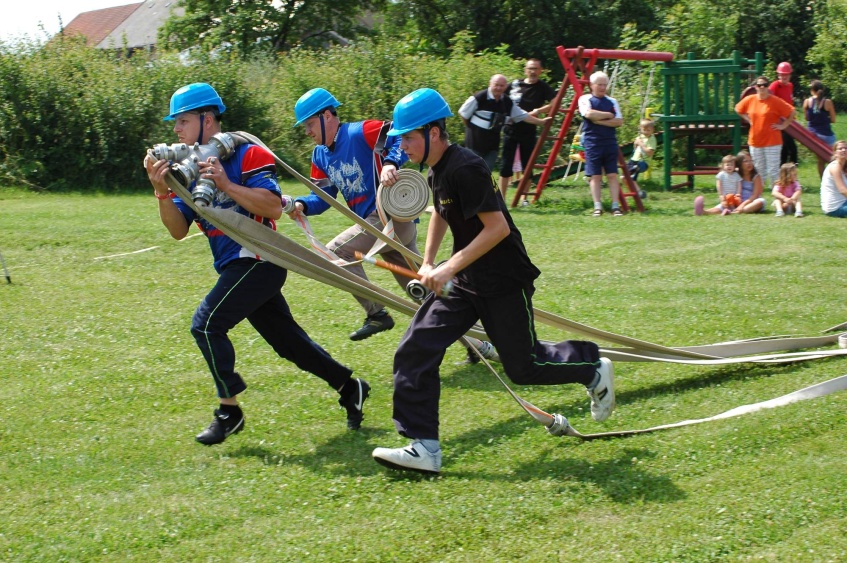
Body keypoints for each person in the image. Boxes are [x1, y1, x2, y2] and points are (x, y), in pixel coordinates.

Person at [371, 88, 616, 474]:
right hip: (466, 280)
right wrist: (430, 261)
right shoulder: (436, 169)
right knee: (415, 349)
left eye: (409, 137)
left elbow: (497, 228)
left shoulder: (465, 167)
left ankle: (592, 368)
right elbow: (441, 213)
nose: (403, 146)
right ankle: (424, 447)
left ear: (433, 133)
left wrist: (447, 268)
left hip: (503, 279)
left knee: (524, 367)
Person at [144, 83, 369, 445]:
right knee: (289, 344)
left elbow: (272, 206)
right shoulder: (186, 167)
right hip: (235, 265)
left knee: (206, 325)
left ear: (207, 119)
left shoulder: (248, 153)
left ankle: (228, 412)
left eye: (182, 121)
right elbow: (177, 230)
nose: (176, 129)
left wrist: (225, 184)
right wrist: (161, 191)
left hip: (259, 260)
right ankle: (349, 386)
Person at [290, 88, 416, 341]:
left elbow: (403, 135)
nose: (307, 131)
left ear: (327, 116)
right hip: (378, 228)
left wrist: (390, 163)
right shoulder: (320, 155)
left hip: (389, 217)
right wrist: (302, 204)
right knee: (422, 290)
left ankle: (377, 313)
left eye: (310, 124)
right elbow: (322, 198)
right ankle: (477, 342)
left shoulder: (361, 132)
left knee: (336, 251)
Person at [458, 74, 551, 178]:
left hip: (492, 144)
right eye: (496, 85)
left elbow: (522, 115)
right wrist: (472, 128)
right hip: (474, 143)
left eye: (501, 85)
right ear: (490, 84)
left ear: (506, 87)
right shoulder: (479, 97)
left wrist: (541, 122)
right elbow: (463, 113)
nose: (498, 88)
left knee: (485, 173)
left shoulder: (507, 101)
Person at [498, 59, 558, 201]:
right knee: (506, 165)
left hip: (529, 130)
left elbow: (555, 103)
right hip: (510, 128)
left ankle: (524, 199)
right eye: (530, 68)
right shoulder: (515, 84)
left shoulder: (543, 87)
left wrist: (538, 111)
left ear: (540, 71)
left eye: (536, 69)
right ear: (525, 70)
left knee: (528, 166)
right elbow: (500, 98)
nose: (533, 71)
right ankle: (501, 200)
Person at [735, 76, 795, 190]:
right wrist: (748, 119)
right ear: (755, 87)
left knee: (773, 171)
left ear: (768, 87)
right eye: (759, 85)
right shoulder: (750, 99)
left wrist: (783, 125)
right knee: (758, 170)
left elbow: (791, 111)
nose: (762, 87)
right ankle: (758, 195)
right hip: (755, 141)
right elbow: (738, 109)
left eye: (765, 85)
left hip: (773, 141)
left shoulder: (775, 101)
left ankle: (777, 195)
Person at [578, 71, 624, 216]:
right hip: (592, 142)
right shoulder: (585, 99)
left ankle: (615, 206)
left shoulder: (612, 101)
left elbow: (619, 121)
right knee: (595, 176)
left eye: (605, 84)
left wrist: (599, 121)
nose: (603, 87)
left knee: (612, 175)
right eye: (600, 84)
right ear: (592, 85)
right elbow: (588, 114)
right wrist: (608, 115)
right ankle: (597, 206)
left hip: (610, 142)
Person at [803, 80, 837, 176]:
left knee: (821, 160)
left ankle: (823, 180)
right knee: (834, 159)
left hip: (812, 135)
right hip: (826, 135)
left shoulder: (806, 102)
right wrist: (825, 119)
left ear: (811, 90)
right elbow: (833, 119)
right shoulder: (827, 102)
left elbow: (807, 118)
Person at [769, 62, 798, 165]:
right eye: (782, 74)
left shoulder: (790, 86)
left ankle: (785, 171)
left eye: (786, 74)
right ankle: (792, 169)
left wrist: (793, 117)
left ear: (790, 75)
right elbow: (768, 99)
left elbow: (789, 103)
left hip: (789, 121)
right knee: (792, 149)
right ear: (778, 75)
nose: (784, 77)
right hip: (780, 122)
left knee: (785, 149)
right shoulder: (775, 85)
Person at [820, 140, 847, 218]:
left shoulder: (843, 166)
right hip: (835, 208)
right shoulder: (835, 167)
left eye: (845, 148)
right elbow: (842, 190)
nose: (844, 150)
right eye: (840, 148)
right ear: (835, 153)